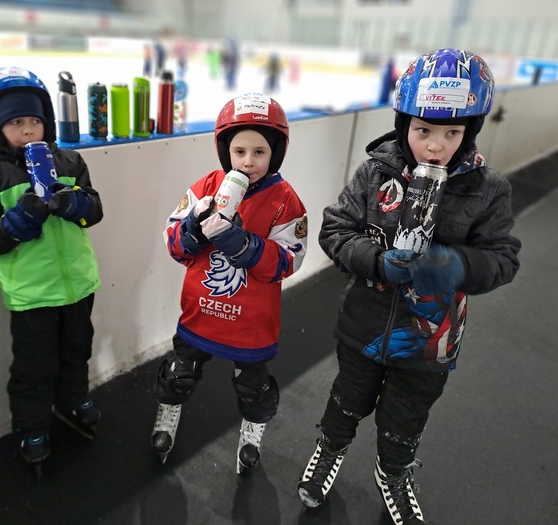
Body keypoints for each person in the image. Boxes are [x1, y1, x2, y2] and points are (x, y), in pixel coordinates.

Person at [296, 48, 521, 524]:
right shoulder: (376, 171)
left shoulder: (488, 189)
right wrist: (377, 261)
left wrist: (455, 264)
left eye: (452, 133)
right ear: (403, 124)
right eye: (423, 131)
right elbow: (336, 230)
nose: (436, 147)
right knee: (346, 399)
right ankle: (331, 448)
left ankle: (393, 473)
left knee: (405, 417)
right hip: (363, 326)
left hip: (430, 342)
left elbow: (503, 259)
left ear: (470, 131)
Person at [151, 93, 308, 474]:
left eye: (259, 152)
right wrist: (192, 229)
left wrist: (246, 245)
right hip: (201, 312)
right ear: (226, 151)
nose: (248, 162)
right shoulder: (207, 185)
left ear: (276, 153)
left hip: (251, 323)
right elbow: (173, 243)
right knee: (180, 373)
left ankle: (253, 430)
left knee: (253, 387)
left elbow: (289, 260)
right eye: (239, 151)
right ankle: (168, 412)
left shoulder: (285, 200)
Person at [0, 67, 104, 477]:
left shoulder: (69, 161)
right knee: (34, 367)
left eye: (35, 120)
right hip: (32, 294)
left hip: (78, 284)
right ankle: (33, 426)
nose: (28, 130)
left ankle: (73, 400)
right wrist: (17, 221)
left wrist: (74, 204)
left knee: (76, 350)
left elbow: (94, 210)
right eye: (15, 122)